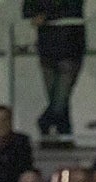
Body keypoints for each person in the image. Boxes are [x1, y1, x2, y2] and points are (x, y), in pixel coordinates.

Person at [24, 0, 86, 144]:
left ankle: (47, 124)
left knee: (59, 99)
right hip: (51, 47)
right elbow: (27, 10)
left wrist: (45, 15)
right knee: (58, 99)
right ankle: (64, 135)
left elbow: (72, 6)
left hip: (68, 46)